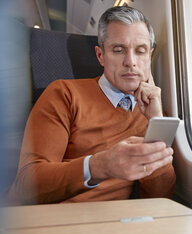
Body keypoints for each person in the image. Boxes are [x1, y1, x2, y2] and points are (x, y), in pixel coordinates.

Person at [7, 6, 176, 205]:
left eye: (140, 51)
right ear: (100, 56)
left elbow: (160, 199)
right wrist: (99, 166)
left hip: (115, 224)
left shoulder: (152, 113)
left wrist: (156, 122)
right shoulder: (64, 94)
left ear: (149, 57)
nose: (131, 62)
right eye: (118, 50)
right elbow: (25, 187)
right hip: (55, 222)